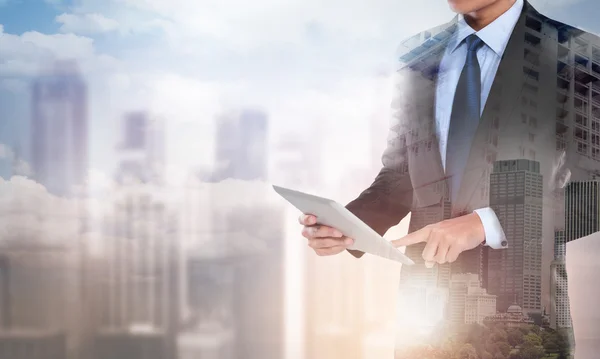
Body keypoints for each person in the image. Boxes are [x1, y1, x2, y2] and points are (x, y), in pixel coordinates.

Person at [300, 0, 600, 356]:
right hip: (424, 319)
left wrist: (486, 224)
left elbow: (594, 188)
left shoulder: (581, 53)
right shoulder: (416, 55)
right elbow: (403, 173)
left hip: (522, 325)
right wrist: (351, 224)